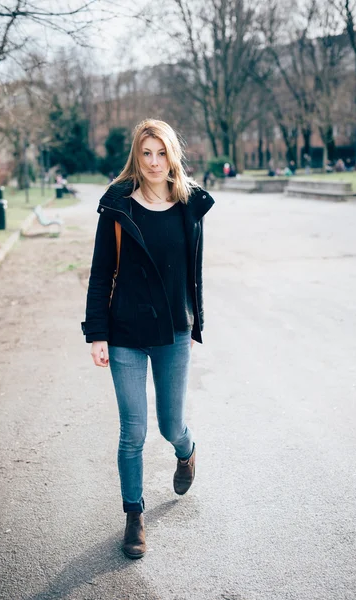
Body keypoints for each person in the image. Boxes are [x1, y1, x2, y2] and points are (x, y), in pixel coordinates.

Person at [81, 119, 215, 560]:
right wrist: (97, 334)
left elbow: (194, 273)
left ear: (172, 154)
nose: (155, 162)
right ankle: (133, 515)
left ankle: (186, 449)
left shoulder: (188, 205)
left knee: (169, 425)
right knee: (132, 432)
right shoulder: (118, 207)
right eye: (146, 154)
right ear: (136, 158)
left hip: (173, 331)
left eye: (161, 153)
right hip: (125, 333)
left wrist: (195, 323)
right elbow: (101, 274)